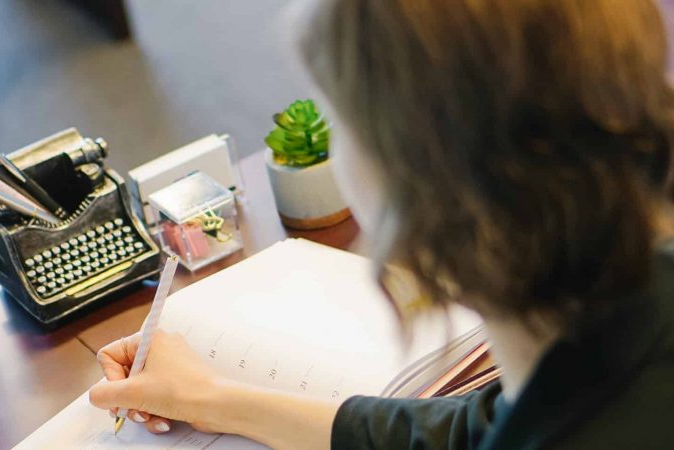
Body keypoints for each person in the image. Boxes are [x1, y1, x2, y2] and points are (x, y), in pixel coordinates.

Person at [88, 0, 674, 448]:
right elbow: (480, 427)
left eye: (341, 124)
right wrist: (215, 399)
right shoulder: (614, 320)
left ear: (420, 181)